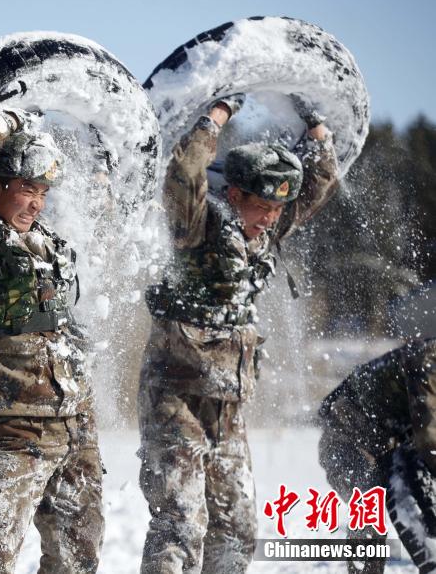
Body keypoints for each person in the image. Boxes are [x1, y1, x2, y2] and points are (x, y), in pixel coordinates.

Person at [137, 94, 339, 573]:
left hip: (228, 408)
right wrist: (218, 115)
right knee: (180, 526)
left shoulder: (265, 230)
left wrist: (316, 129)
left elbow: (317, 186)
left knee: (238, 529)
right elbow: (185, 173)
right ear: (234, 195)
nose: (271, 216)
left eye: (277, 207)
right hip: (176, 400)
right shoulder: (197, 227)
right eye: (263, 205)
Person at [0, 110, 104, 573]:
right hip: (18, 428)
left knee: (78, 557)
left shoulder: (46, 242)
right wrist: (10, 117)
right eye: (28, 190)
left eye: (43, 194)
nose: (37, 205)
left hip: (76, 423)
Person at [319, 337, 436, 574]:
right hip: (345, 446)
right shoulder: (426, 361)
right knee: (369, 516)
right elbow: (428, 439)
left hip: (384, 446)